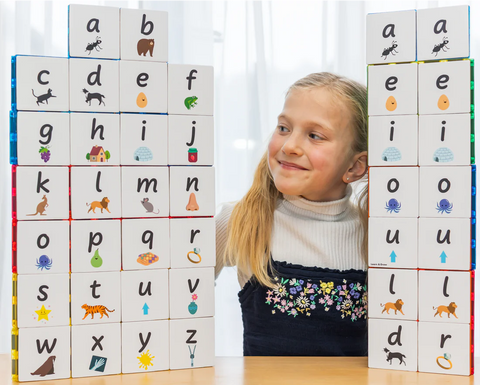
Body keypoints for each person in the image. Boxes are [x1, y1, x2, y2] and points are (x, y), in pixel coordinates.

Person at [215, 72, 369, 356]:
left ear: (355, 167)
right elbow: (175, 295)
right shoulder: (240, 220)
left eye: (314, 135)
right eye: (284, 128)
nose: (289, 146)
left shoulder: (376, 235)